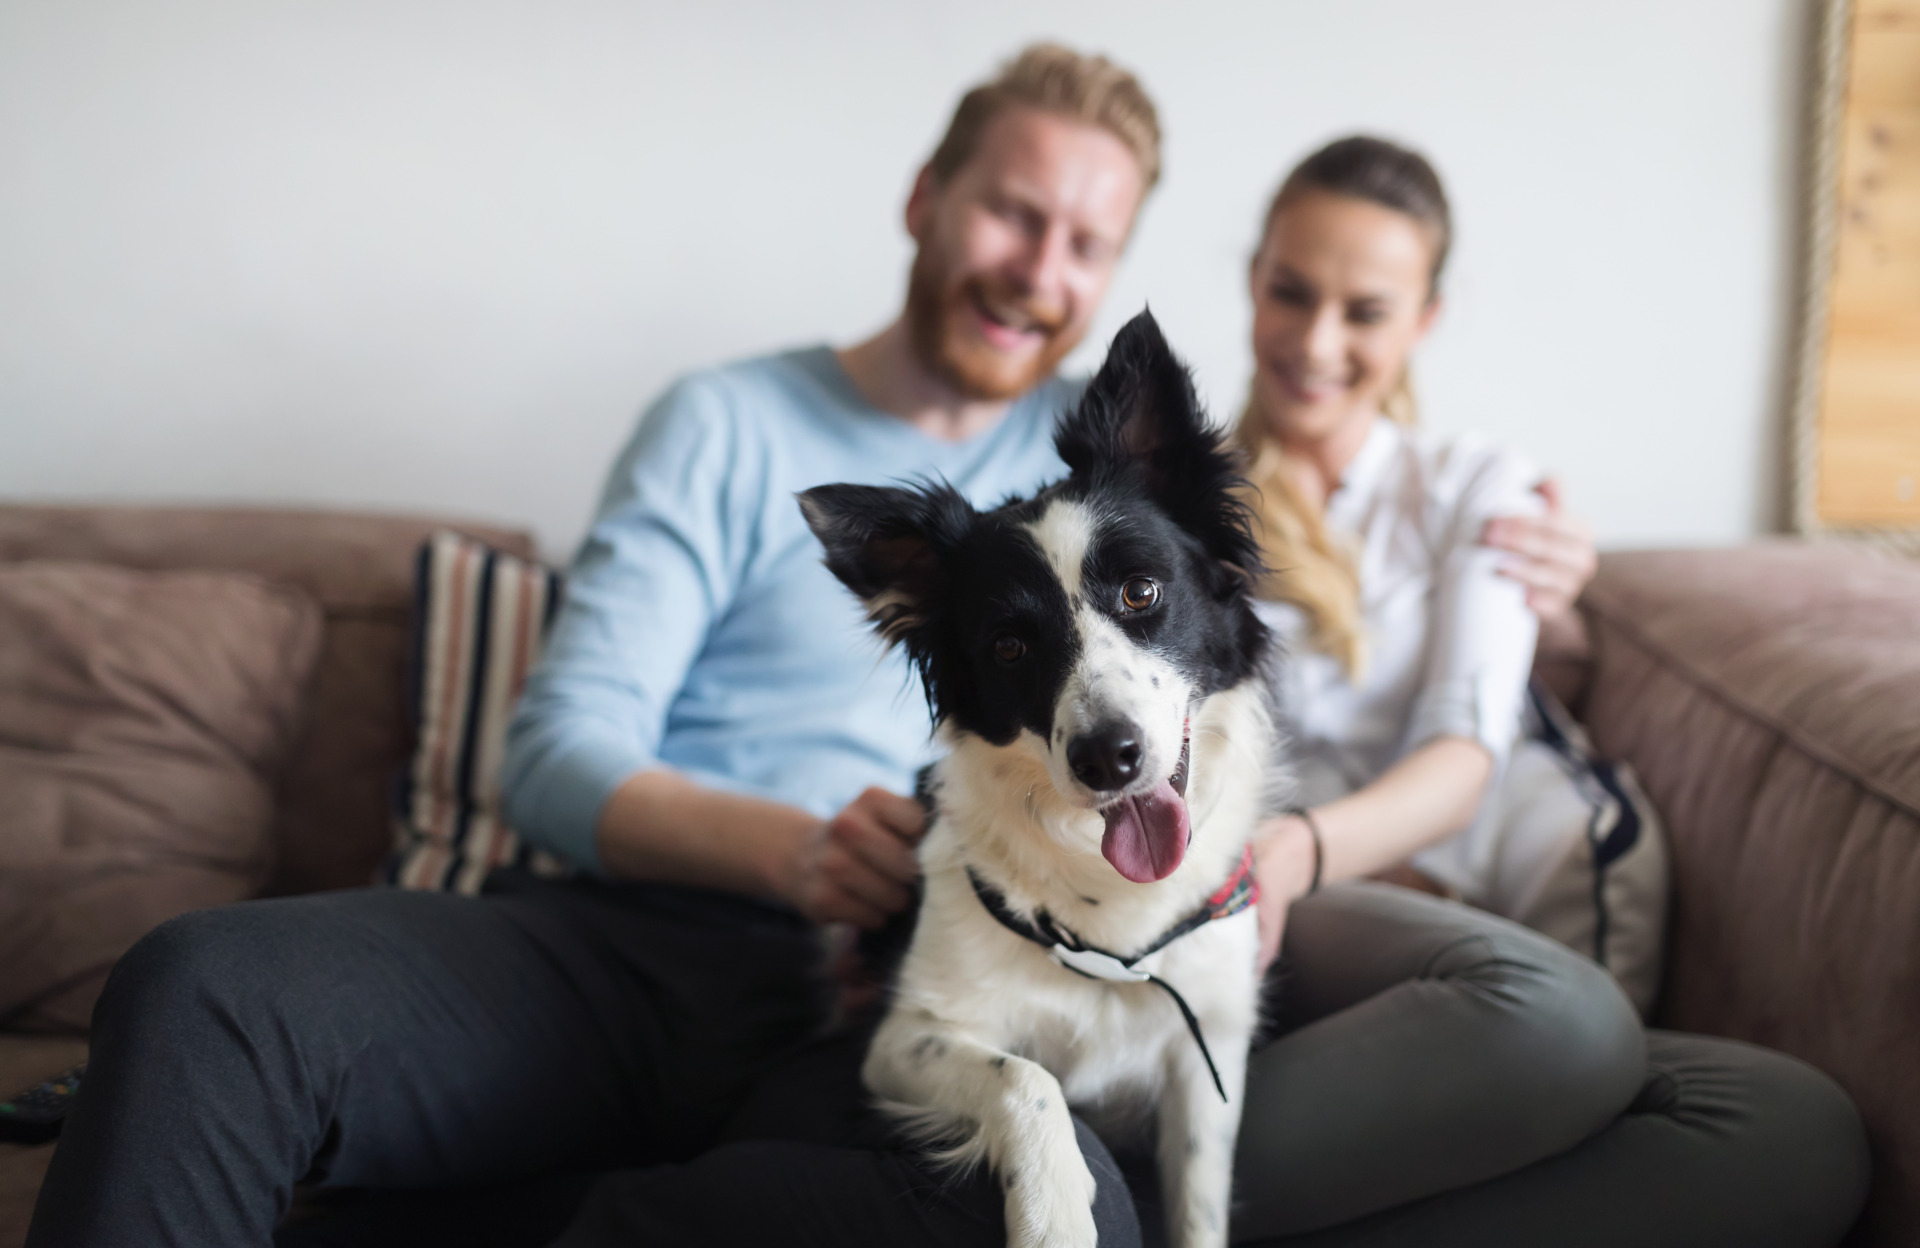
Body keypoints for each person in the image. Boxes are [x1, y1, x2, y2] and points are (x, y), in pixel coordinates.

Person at [16, 44, 1744, 1248]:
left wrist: (1563, 603)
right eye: (1011, 211)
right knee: (204, 984)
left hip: (908, 1010)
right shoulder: (731, 421)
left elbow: (1291, 560)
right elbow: (553, 747)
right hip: (630, 948)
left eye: (1087, 243)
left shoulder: (1104, 479)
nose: (1037, 267)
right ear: (927, 196)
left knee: (1061, 1206)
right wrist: (794, 845)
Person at [1217, 136, 1868, 1246]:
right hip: (1278, 918)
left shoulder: (1478, 486)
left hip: (1379, 893)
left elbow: (1463, 762)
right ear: (1253, 280)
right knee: (1557, 1025)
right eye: (1292, 292)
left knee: (1797, 1128)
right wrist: (1285, 863)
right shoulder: (1177, 502)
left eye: (1365, 310)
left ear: (1425, 319)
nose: (1317, 342)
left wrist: (1309, 847)